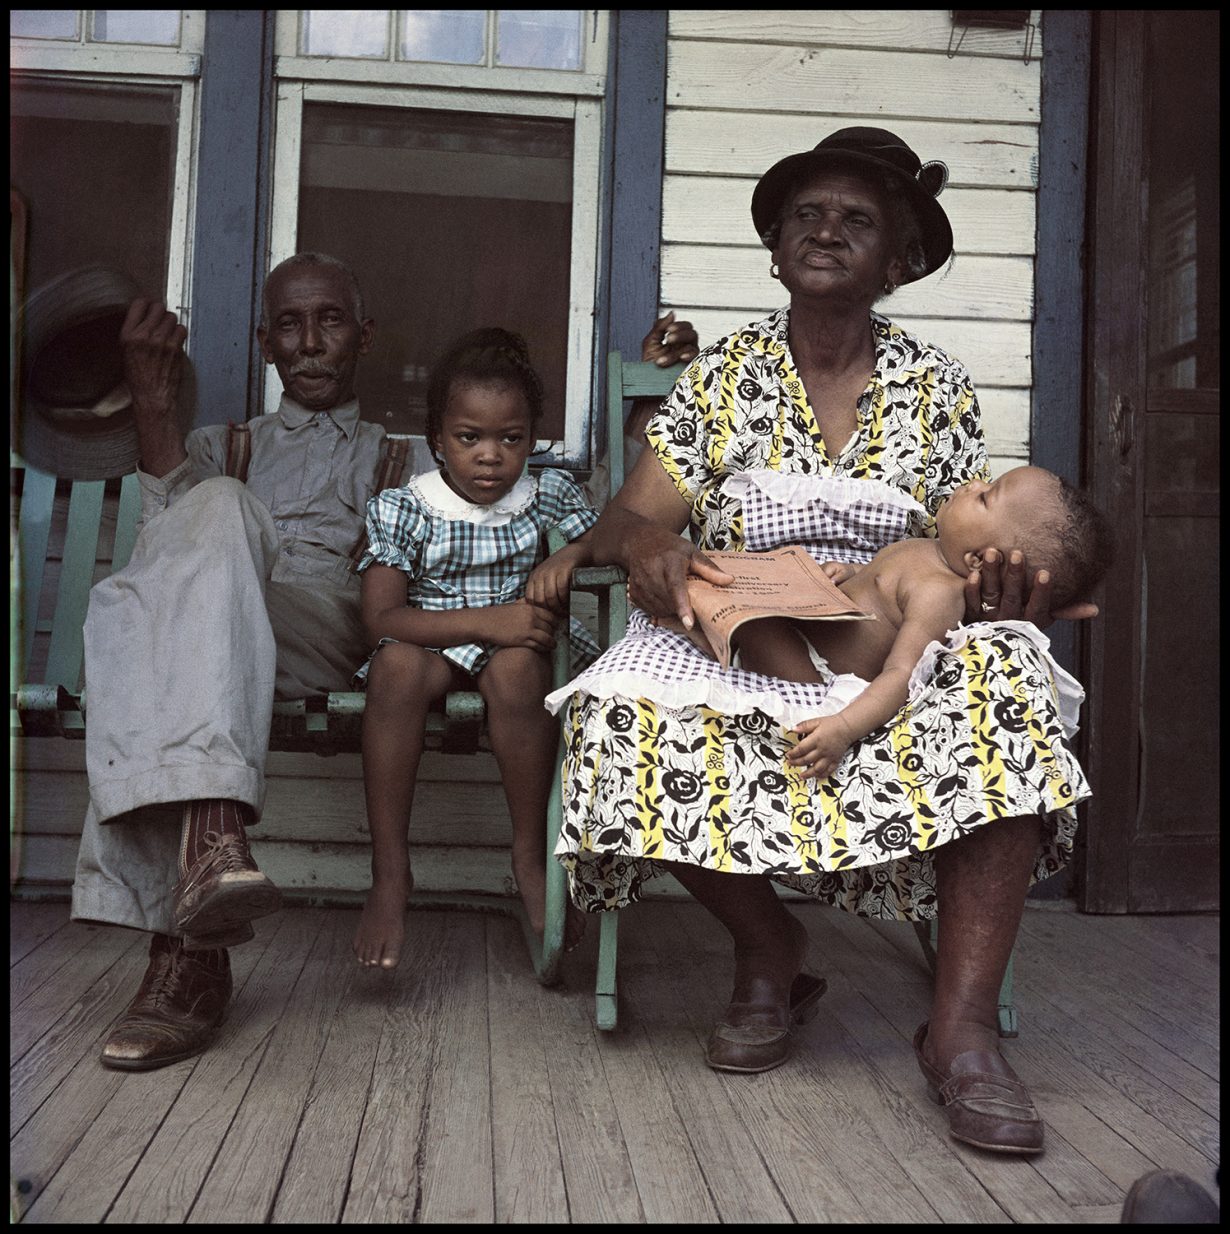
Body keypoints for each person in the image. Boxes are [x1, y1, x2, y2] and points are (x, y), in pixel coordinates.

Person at [549, 127, 1099, 1157]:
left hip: (880, 631)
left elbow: (966, 539)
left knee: (1016, 677)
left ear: (897, 261)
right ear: (774, 248)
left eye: (857, 218)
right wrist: (659, 545)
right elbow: (627, 521)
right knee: (615, 712)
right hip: (742, 631)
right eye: (806, 213)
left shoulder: (936, 384)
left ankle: (963, 1029)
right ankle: (770, 949)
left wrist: (1009, 592)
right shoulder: (725, 378)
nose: (826, 229)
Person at [71, 249, 697, 1071]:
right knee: (166, 564)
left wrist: (654, 400)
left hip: (334, 631)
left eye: (328, 320)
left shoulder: (416, 459)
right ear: (265, 342)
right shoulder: (220, 444)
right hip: (224, 643)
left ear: (362, 336)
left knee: (152, 605)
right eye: (289, 325)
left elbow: (566, 498)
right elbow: (165, 539)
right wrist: (152, 399)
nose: (309, 341)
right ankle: (208, 855)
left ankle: (183, 954)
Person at [351, 329, 597, 969]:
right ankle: (390, 872)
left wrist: (571, 552)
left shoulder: (547, 496)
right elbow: (382, 616)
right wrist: (491, 621)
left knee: (520, 673)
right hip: (434, 643)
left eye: (510, 439)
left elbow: (608, 544)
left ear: (531, 440)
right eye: (469, 438)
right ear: (437, 438)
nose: (491, 456)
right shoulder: (405, 508)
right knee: (394, 666)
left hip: (513, 651)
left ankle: (528, 856)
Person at [733, 467, 1112, 782]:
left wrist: (844, 727)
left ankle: (704, 641)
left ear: (979, 560)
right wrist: (849, 573)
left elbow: (901, 673)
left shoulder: (938, 595)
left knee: (753, 622)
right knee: (749, 602)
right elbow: (882, 584)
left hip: (819, 677)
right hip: (810, 636)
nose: (972, 483)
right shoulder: (926, 552)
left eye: (985, 496)